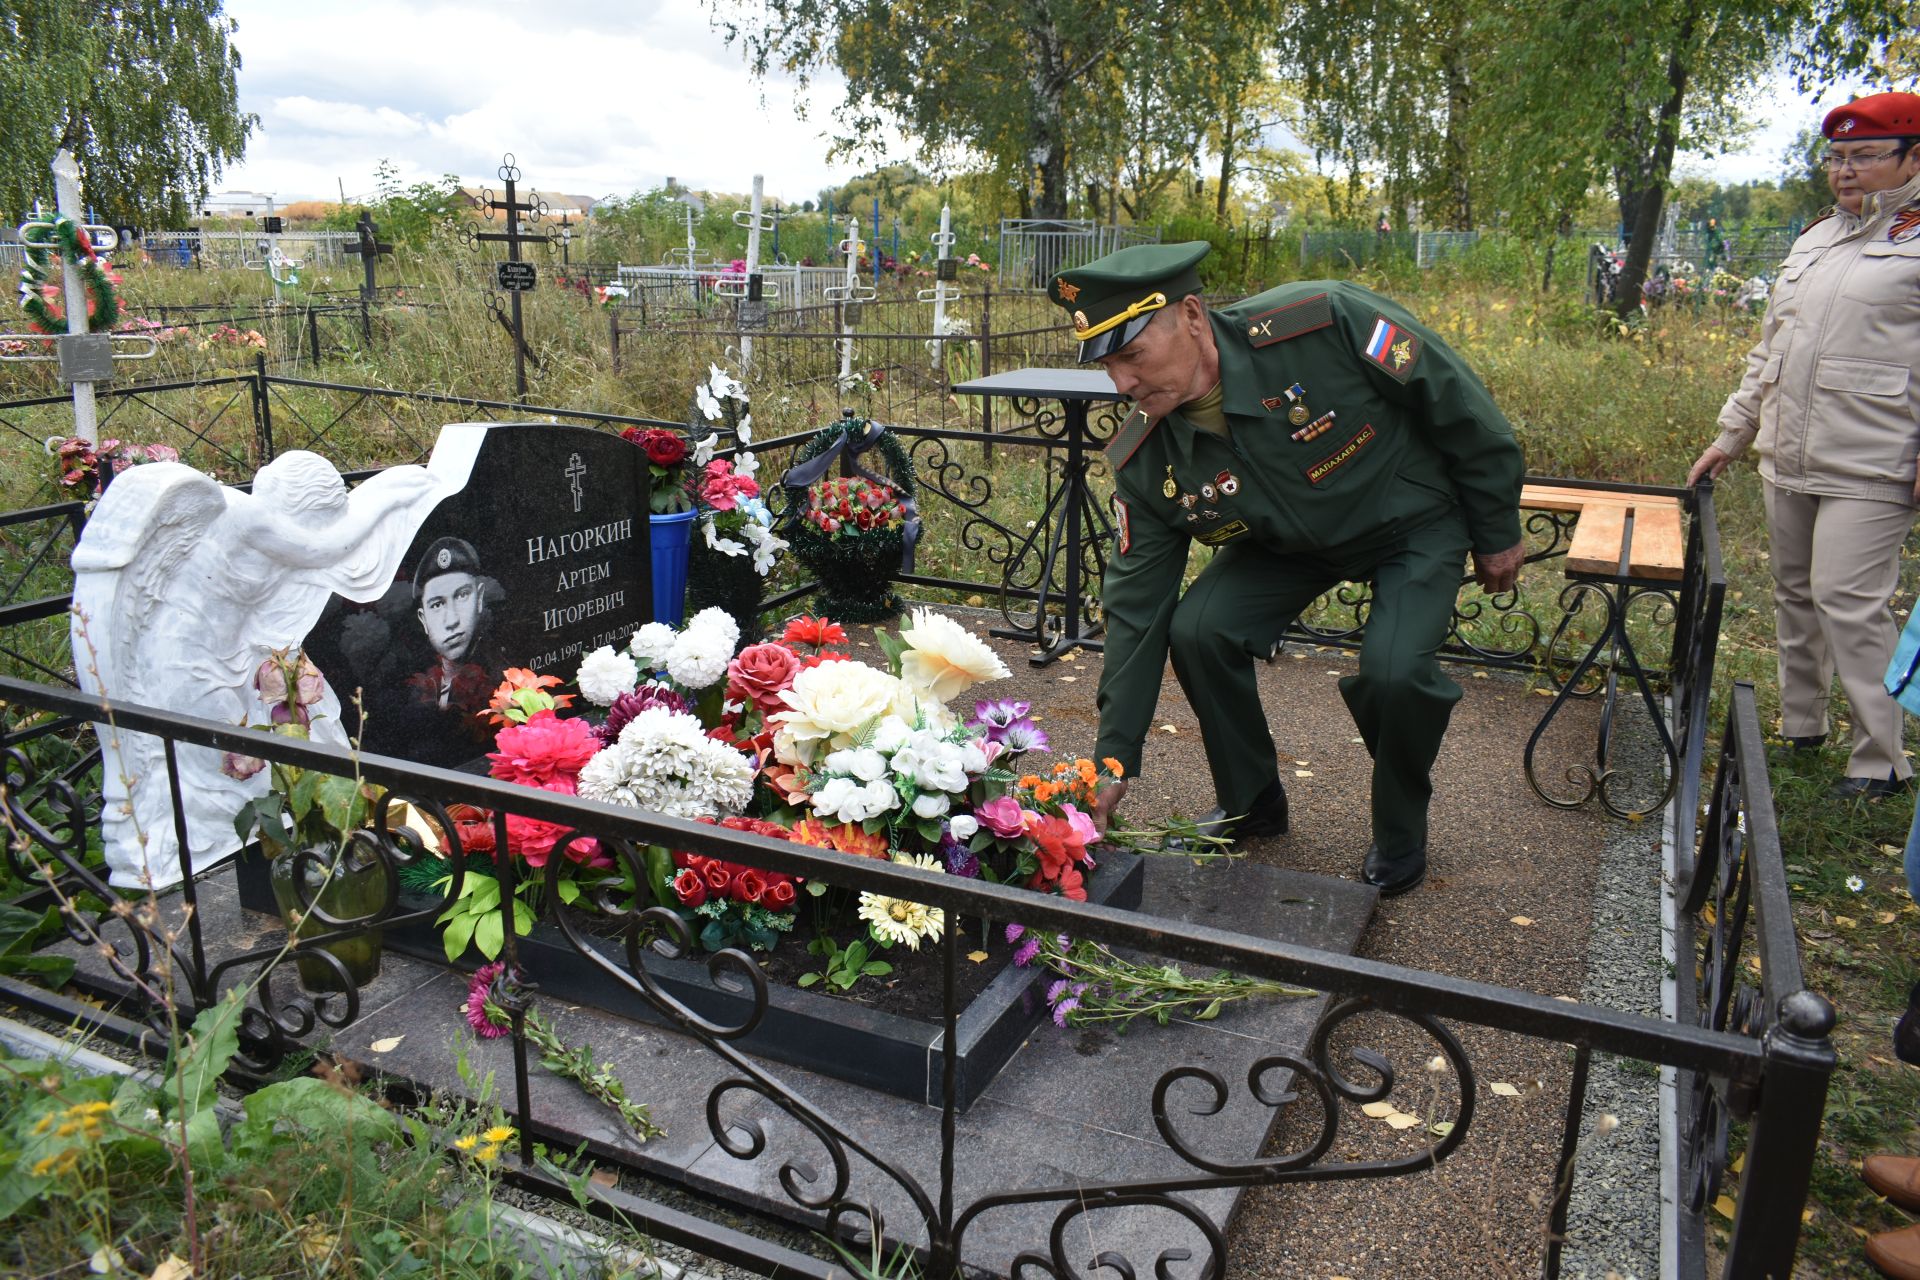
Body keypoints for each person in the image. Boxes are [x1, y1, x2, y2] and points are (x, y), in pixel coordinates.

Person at [1050, 241, 1525, 895]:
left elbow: (1454, 400)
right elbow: (1137, 609)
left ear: (1191, 315)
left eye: (1132, 355)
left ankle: (1399, 832)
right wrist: (1112, 761)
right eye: (1108, 365)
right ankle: (1253, 802)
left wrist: (1496, 527)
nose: (1123, 383)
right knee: (1198, 629)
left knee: (1395, 673)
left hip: (1409, 521)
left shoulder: (1323, 321)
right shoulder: (1145, 456)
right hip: (1285, 548)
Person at [1687, 91, 1920, 800]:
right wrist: (1733, 433)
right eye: (1836, 158)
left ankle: (1880, 759)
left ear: (1913, 156)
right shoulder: (1816, 237)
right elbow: (1771, 352)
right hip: (1789, 453)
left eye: (1863, 156)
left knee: (1846, 597)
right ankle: (1802, 723)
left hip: (1875, 458)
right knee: (1794, 592)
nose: (1844, 172)